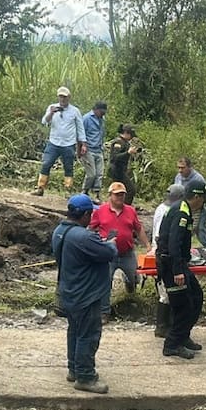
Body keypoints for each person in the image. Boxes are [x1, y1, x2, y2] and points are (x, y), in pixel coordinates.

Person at [52, 194, 117, 393]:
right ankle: (85, 376)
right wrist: (111, 243)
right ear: (86, 214)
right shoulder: (84, 236)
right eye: (91, 213)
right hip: (87, 294)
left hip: (70, 291)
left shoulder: (60, 231)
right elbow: (108, 253)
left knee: (75, 331)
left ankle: (74, 368)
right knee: (88, 335)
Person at [156, 180, 206, 359]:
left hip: (177, 263)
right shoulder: (181, 212)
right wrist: (178, 270)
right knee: (183, 305)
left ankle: (183, 336)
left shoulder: (182, 208)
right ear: (197, 197)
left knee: (196, 296)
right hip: (171, 264)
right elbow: (174, 243)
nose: (203, 203)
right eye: (203, 199)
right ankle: (172, 344)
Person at [89, 181, 149, 319]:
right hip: (108, 255)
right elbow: (90, 229)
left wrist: (147, 245)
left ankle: (131, 294)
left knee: (134, 278)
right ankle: (104, 312)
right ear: (110, 195)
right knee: (105, 283)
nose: (120, 197)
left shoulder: (130, 210)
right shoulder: (100, 211)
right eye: (117, 195)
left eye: (122, 195)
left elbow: (138, 229)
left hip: (127, 252)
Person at [149, 183, 185, 338]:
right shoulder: (167, 210)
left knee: (167, 292)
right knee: (166, 293)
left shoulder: (161, 208)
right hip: (164, 256)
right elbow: (161, 236)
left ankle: (166, 325)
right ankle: (162, 327)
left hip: (162, 253)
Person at [36, 86, 86, 196]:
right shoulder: (52, 107)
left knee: (68, 167)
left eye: (64, 97)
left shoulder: (75, 111)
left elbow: (80, 128)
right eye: (60, 97)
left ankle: (67, 189)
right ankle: (40, 187)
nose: (62, 99)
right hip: (54, 142)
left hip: (68, 144)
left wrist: (83, 143)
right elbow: (44, 121)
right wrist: (51, 113)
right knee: (46, 163)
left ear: (69, 98)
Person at [173, 156, 206, 251]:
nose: (180, 170)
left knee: (201, 234)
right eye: (178, 167)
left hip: (198, 210)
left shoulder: (198, 179)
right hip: (184, 208)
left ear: (189, 167)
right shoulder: (178, 177)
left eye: (183, 167)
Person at [80, 101, 108, 199]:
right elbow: (80, 133)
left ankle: (96, 194)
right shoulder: (86, 118)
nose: (103, 114)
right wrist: (81, 146)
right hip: (88, 149)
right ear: (95, 109)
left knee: (100, 173)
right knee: (91, 174)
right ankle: (85, 192)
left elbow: (101, 134)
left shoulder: (103, 119)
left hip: (99, 149)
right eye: (101, 112)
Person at [108, 123, 143, 196]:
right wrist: (128, 153)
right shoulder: (118, 142)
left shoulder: (125, 142)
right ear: (126, 133)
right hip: (116, 170)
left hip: (121, 170)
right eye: (131, 135)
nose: (131, 138)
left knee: (121, 192)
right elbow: (115, 158)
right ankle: (123, 206)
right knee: (130, 190)